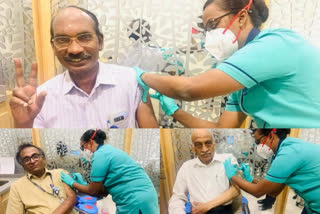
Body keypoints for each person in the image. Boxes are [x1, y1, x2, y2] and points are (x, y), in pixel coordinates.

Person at [135, 0, 320, 128]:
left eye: (212, 25)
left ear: (241, 17)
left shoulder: (274, 43)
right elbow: (223, 127)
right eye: (206, 29)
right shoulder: (241, 73)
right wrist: (174, 111)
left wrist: (143, 75)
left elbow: (189, 89)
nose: (209, 35)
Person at [9, 6, 158, 128]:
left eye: (84, 37)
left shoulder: (131, 81)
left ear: (100, 41)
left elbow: (152, 139)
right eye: (63, 40)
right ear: (53, 47)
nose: (75, 49)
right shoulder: (40, 98)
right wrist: (23, 124)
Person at [60, 129, 159, 214]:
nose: (82, 151)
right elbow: (103, 192)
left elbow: (92, 190)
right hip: (147, 196)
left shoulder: (100, 155)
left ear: (90, 142)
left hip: (134, 200)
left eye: (82, 147)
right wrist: (83, 184)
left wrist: (73, 183)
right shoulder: (109, 151)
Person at [223, 129, 320, 214]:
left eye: (258, 142)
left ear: (270, 136)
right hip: (311, 205)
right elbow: (273, 189)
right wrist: (250, 179)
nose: (257, 146)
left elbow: (258, 192)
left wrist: (232, 176)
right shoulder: (283, 149)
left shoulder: (288, 154)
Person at [168, 129, 240, 214]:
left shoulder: (228, 159)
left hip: (222, 210)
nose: (204, 149)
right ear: (193, 148)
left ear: (214, 144)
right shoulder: (186, 167)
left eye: (208, 143)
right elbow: (178, 196)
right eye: (198, 145)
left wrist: (206, 206)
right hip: (197, 211)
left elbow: (236, 189)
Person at [6, 144, 77, 214]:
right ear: (23, 165)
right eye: (26, 159)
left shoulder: (59, 173)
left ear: (43, 158)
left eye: (35, 156)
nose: (32, 161)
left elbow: (72, 198)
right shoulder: (17, 186)